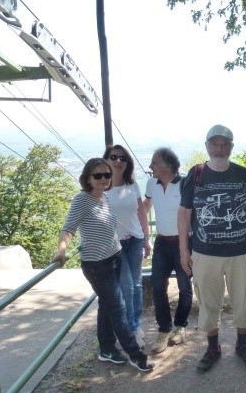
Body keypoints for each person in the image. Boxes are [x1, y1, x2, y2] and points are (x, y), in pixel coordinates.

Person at [51, 158, 153, 372]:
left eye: (107, 175)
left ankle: (106, 349)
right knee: (118, 308)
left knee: (107, 306)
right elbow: (68, 229)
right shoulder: (82, 200)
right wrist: (61, 250)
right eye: (98, 175)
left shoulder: (105, 197)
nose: (104, 179)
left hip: (115, 257)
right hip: (96, 264)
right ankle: (136, 355)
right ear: (87, 178)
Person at [178, 124, 246, 373]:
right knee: (208, 302)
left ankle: (242, 344)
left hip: (240, 252)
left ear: (231, 147)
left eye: (225, 144)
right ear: (207, 146)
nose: (220, 148)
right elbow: (184, 214)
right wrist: (184, 251)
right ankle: (213, 347)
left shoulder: (242, 174)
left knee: (243, 300)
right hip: (204, 253)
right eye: (215, 143)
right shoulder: (195, 175)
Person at [143, 147, 193, 354]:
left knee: (184, 286)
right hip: (162, 243)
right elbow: (145, 206)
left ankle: (180, 326)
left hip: (184, 242)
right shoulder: (151, 183)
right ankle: (164, 329)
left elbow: (193, 214)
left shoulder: (184, 184)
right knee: (157, 287)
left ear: (167, 166)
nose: (150, 167)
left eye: (154, 163)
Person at [103, 144, 151, 348]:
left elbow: (141, 212)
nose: (118, 161)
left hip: (135, 240)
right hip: (116, 245)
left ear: (127, 163)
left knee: (137, 285)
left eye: (122, 158)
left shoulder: (132, 185)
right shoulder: (102, 188)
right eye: (113, 157)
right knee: (127, 287)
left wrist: (147, 239)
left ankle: (135, 324)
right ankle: (130, 329)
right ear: (106, 160)